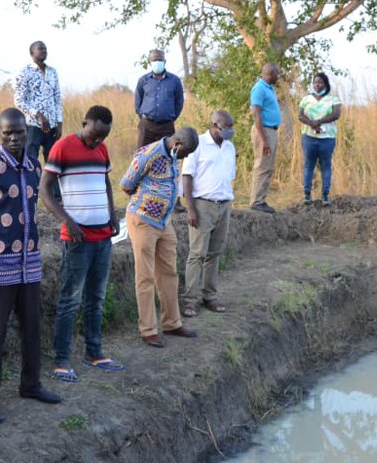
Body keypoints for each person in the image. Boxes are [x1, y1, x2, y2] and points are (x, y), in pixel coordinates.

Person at [0, 108, 62, 423]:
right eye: (8, 132)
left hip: (30, 263)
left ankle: (31, 385)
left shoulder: (34, 166)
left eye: (19, 132)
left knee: (33, 327)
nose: (14, 138)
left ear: (26, 132)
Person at [39, 105, 124, 383]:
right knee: (70, 300)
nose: (97, 141)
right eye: (94, 134)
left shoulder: (102, 149)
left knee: (96, 298)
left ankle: (94, 352)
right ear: (85, 122)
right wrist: (67, 220)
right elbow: (44, 190)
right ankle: (62, 360)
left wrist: (113, 214)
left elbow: (106, 182)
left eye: (103, 137)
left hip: (103, 238)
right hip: (77, 240)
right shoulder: (62, 147)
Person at [119, 127, 200, 347]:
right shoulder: (149, 154)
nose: (186, 157)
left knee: (169, 273)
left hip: (165, 222)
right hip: (143, 220)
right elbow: (126, 184)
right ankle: (148, 330)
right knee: (145, 276)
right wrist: (147, 198)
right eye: (186, 153)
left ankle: (172, 323)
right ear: (178, 144)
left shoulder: (173, 153)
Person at [180, 110, 236, 318]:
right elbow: (187, 176)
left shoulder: (229, 147)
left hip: (224, 204)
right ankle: (189, 299)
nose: (229, 131)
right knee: (197, 253)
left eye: (231, 127)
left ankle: (209, 296)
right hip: (203, 204)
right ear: (214, 125)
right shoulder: (198, 144)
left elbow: (229, 176)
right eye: (226, 127)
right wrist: (191, 208)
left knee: (214, 253)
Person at [296, 72, 342, 206]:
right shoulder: (306, 99)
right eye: (315, 82)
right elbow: (300, 116)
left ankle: (325, 194)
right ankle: (307, 194)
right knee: (308, 164)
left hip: (327, 138)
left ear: (325, 84)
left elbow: (336, 114)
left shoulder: (333, 98)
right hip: (309, 137)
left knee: (326, 165)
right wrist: (312, 124)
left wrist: (319, 121)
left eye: (320, 82)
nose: (317, 85)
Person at [14, 40, 63, 165]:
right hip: (33, 125)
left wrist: (59, 123)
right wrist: (38, 116)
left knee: (53, 163)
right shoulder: (25, 72)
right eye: (40, 48)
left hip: (52, 125)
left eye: (45, 49)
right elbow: (19, 100)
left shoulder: (52, 72)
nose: (44, 51)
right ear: (32, 53)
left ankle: (50, 180)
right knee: (31, 162)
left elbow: (57, 98)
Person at [134, 49, 185, 148]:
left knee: (166, 154)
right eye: (154, 60)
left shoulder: (174, 80)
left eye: (160, 60)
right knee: (142, 154)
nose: (157, 62)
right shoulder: (143, 80)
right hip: (146, 125)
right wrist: (144, 117)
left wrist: (171, 117)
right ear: (150, 62)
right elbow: (137, 102)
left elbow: (179, 102)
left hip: (166, 126)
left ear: (164, 61)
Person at [249, 63, 282, 213]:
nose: (278, 77)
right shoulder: (259, 88)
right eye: (277, 74)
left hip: (271, 131)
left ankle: (261, 200)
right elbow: (256, 113)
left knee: (267, 167)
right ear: (270, 73)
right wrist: (263, 140)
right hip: (263, 131)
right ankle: (256, 201)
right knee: (262, 166)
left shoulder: (269, 88)